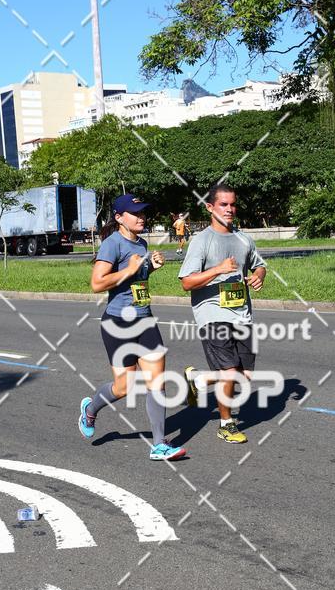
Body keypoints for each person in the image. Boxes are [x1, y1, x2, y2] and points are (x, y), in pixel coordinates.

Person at [78, 193, 187, 461]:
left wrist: (151, 268)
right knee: (124, 387)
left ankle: (159, 444)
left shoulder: (141, 243)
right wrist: (129, 269)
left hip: (145, 319)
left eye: (143, 212)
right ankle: (90, 410)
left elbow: (136, 279)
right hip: (119, 323)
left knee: (156, 381)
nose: (141, 217)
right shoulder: (112, 244)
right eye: (135, 213)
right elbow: (97, 283)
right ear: (119, 218)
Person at [179, 185, 266, 444]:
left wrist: (258, 276)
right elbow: (187, 282)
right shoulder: (201, 241)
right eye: (223, 205)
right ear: (210, 207)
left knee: (244, 375)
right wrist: (217, 269)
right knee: (229, 372)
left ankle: (198, 379)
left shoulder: (243, 239)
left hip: (242, 314)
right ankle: (226, 424)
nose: (229, 209)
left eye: (232, 204)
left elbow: (260, 265)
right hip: (212, 315)